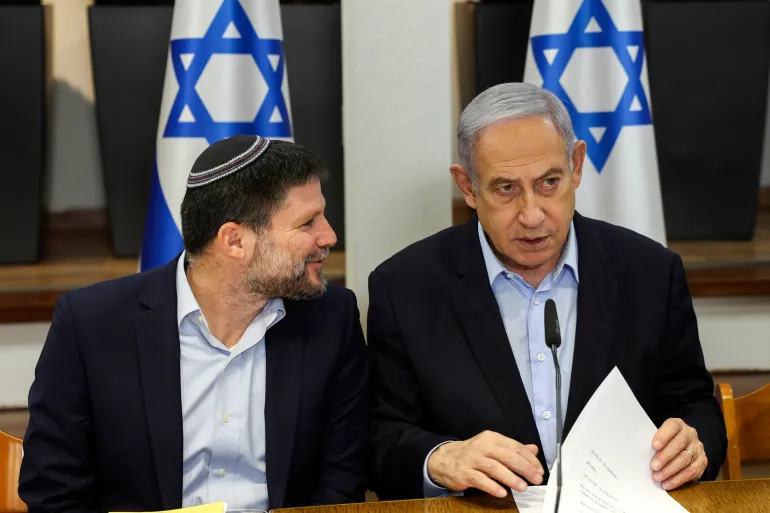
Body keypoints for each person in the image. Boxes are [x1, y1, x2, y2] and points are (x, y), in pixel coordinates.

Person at [367, 83, 726, 500]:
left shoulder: (650, 272)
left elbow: (694, 404)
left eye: (549, 182)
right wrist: (439, 459)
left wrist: (693, 443)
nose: (532, 215)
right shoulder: (405, 288)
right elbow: (378, 437)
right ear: (468, 187)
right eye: (506, 189)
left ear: (577, 166)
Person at [20, 135, 369, 512]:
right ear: (234, 241)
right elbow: (54, 489)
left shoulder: (331, 318)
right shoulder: (92, 324)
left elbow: (343, 476)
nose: (329, 236)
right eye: (307, 223)